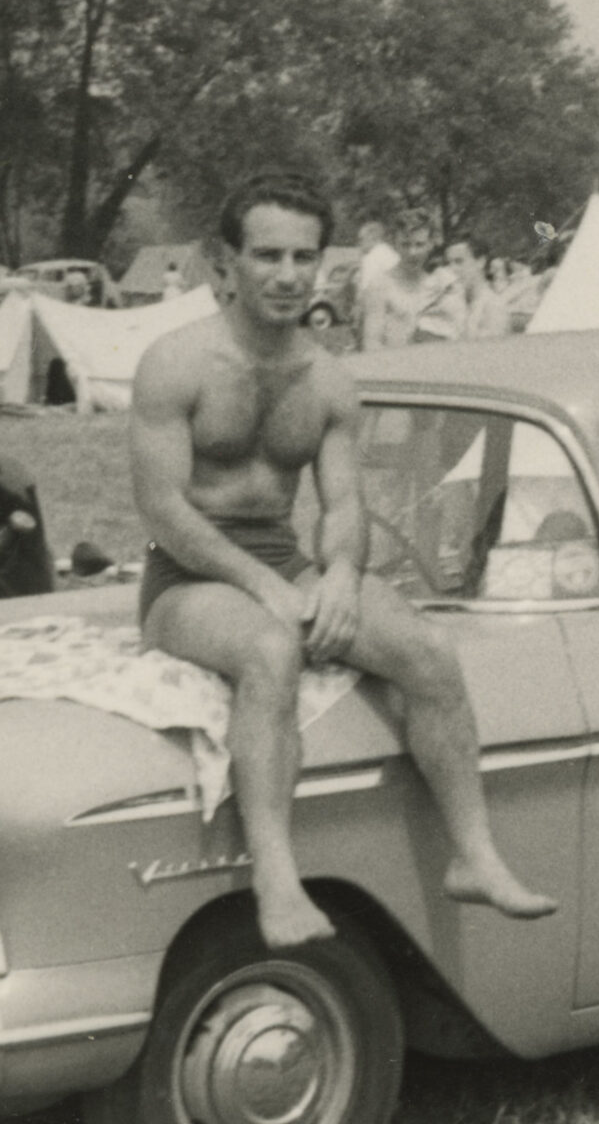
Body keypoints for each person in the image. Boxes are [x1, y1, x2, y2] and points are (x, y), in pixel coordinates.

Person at [130, 173, 556, 947]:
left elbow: (344, 506)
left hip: (284, 563)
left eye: (304, 257)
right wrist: (265, 586)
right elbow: (163, 510)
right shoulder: (176, 362)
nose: (289, 275)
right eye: (268, 256)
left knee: (428, 650)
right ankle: (277, 879)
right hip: (184, 580)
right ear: (226, 263)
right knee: (270, 646)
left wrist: (337, 577)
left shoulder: (328, 378)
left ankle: (476, 854)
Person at [356, 222, 428, 351]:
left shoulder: (436, 284)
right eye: (405, 244)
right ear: (396, 245)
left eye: (419, 244)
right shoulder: (380, 285)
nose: (412, 252)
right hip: (393, 366)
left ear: (430, 244)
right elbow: (372, 343)